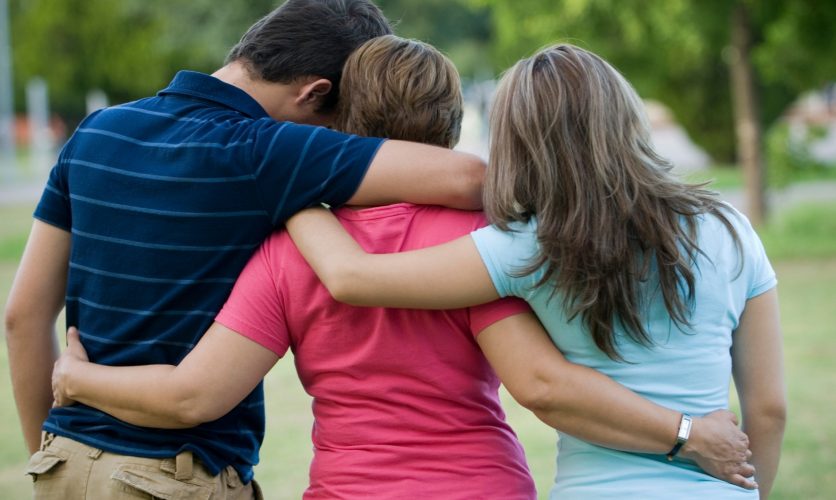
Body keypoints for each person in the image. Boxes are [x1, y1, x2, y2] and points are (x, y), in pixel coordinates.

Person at [52, 37, 757, 498]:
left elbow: (193, 395)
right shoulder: (484, 236)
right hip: (481, 486)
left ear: (344, 121)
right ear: (451, 124)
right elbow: (540, 380)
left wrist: (77, 377)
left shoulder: (290, 246)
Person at [3, 1, 491, 497]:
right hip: (175, 477)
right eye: (336, 120)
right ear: (316, 93)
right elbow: (471, 176)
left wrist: (49, 454)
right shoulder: (268, 149)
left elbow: (21, 317)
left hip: (63, 463)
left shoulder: (96, 131)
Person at [282, 44, 787, 499]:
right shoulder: (730, 229)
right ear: (625, 115)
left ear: (518, 142)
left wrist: (292, 195)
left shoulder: (527, 247)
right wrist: (745, 486)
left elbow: (352, 278)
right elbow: (767, 411)